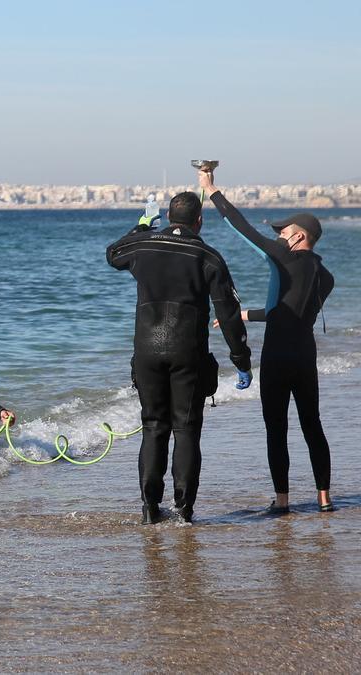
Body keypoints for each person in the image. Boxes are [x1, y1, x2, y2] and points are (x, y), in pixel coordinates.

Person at [107, 192, 253, 524]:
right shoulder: (208, 256)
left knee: (153, 427)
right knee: (186, 430)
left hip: (146, 352)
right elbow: (228, 313)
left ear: (169, 217)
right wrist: (240, 359)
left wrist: (141, 226)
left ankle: (149, 510)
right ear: (199, 220)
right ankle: (184, 511)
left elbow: (113, 254)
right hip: (188, 353)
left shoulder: (143, 245)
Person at [200, 169, 336, 513]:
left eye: (284, 232)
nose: (278, 237)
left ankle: (282, 501)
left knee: (276, 429)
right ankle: (324, 498)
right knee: (312, 425)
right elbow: (289, 311)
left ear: (299, 237)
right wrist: (243, 315)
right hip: (305, 356)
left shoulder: (283, 256)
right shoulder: (326, 276)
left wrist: (210, 188)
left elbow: (241, 226)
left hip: (277, 355)